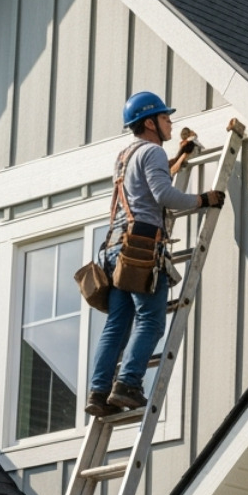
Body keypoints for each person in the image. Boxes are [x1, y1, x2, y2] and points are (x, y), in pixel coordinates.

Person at [85, 91, 225, 416]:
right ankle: (128, 384)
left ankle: (98, 392)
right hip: (142, 247)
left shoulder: (126, 155)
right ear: (150, 123)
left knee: (117, 324)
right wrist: (203, 200)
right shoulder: (153, 152)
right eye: (164, 118)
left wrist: (178, 159)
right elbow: (163, 195)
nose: (170, 123)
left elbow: (146, 189)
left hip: (115, 248)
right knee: (150, 319)